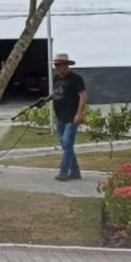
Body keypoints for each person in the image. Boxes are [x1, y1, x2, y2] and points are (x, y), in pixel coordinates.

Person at [45, 53, 87, 182]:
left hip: (72, 117)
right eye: (55, 65)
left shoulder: (76, 78)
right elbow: (57, 92)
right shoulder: (56, 78)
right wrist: (46, 99)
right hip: (60, 117)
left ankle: (64, 172)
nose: (56, 67)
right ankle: (75, 172)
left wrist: (79, 113)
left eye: (58, 65)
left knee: (68, 143)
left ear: (66, 65)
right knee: (65, 145)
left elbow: (83, 95)